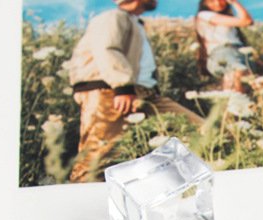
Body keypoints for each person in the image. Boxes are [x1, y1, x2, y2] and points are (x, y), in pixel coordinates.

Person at [68, 0, 204, 183]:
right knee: (97, 160)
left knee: (203, 132)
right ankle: (83, 197)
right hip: (110, 92)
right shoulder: (112, 17)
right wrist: (123, 87)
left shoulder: (135, 23)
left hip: (145, 94)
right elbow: (107, 49)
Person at [195, 0, 253, 93]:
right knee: (237, 73)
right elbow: (247, 21)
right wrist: (234, 2)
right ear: (204, 3)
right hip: (224, 52)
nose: (218, 3)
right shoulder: (205, 15)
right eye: (211, 1)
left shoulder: (226, 19)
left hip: (238, 53)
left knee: (249, 85)